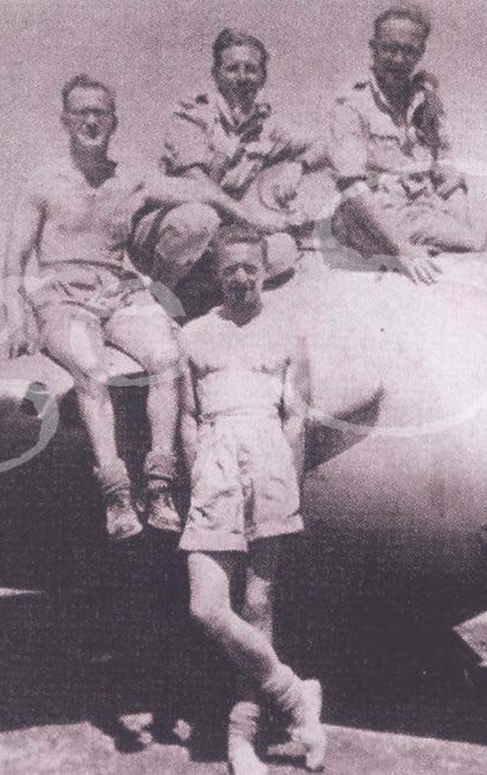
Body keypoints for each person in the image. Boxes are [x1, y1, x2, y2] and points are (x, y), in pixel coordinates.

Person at [3, 74, 288, 541]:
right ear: (65, 120)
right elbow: (14, 258)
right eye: (81, 112)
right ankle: (116, 493)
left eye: (101, 113)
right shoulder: (43, 184)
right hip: (63, 297)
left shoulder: (130, 182)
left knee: (168, 357)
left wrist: (257, 220)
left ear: (113, 121)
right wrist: (17, 318)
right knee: (90, 371)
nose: (91, 121)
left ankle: (160, 484)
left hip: (120, 293)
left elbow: (204, 195)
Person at [179, 226, 325, 774]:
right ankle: (294, 696)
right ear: (217, 273)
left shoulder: (288, 330)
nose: (240, 277)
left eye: (250, 267)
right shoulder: (193, 334)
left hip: (269, 459)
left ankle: (243, 739)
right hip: (214, 460)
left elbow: (297, 417)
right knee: (206, 607)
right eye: (230, 268)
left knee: (258, 607)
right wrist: (198, 470)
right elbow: (189, 416)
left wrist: (290, 480)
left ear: (264, 270)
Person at [131, 27, 321, 316]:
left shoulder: (267, 125)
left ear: (263, 77)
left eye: (251, 69)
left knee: (282, 249)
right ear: (216, 74)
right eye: (232, 69)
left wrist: (298, 166)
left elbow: (325, 144)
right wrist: (251, 218)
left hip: (217, 234)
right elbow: (199, 185)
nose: (242, 77)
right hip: (166, 229)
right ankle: (158, 301)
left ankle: (201, 294)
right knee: (199, 218)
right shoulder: (191, 115)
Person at [328, 4, 475, 283]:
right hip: (367, 217)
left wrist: (466, 240)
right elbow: (352, 188)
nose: (398, 59)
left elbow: (449, 178)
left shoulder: (427, 104)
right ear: (373, 48)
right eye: (389, 48)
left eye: (409, 51)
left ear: (420, 53)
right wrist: (403, 250)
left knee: (472, 245)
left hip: (418, 213)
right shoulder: (352, 105)